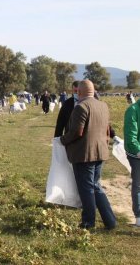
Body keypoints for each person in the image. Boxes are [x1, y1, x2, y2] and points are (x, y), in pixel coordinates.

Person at [60, 80, 116, 230]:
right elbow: (107, 129)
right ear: (93, 90)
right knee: (96, 186)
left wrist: (62, 140)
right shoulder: (103, 105)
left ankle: (88, 222)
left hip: (84, 154)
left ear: (79, 92)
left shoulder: (81, 107)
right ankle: (110, 221)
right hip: (100, 152)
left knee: (86, 189)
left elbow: (77, 132)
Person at [124, 96, 140, 226]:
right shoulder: (133, 110)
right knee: (138, 185)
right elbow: (131, 137)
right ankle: (139, 218)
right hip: (136, 155)